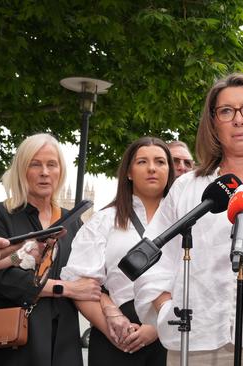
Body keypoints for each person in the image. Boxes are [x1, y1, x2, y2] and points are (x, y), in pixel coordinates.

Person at [134, 73, 243, 366]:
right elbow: (151, 256)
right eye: (226, 111)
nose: (238, 120)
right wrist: (166, 308)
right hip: (193, 343)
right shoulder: (188, 186)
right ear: (213, 123)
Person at [0, 133, 101, 366]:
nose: (45, 172)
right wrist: (67, 288)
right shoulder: (0, 214)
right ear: (21, 170)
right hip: (14, 345)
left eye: (51, 164)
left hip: (64, 344)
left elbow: (88, 278)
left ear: (60, 171)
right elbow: (2, 279)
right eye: (35, 164)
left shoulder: (72, 221)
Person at [61, 137, 174, 366]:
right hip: (114, 333)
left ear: (169, 170)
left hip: (170, 334)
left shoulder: (185, 221)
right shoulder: (104, 220)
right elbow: (83, 286)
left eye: (160, 162)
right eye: (142, 161)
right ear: (129, 172)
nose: (152, 168)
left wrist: (156, 329)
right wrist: (114, 330)